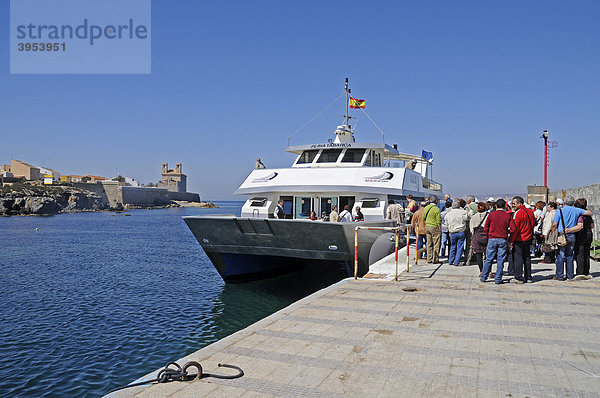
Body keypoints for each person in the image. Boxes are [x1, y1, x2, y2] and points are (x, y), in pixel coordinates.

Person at [551, 196, 593, 281]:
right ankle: (569, 275)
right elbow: (589, 213)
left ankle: (559, 275)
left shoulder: (560, 211)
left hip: (562, 235)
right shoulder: (576, 210)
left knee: (561, 256)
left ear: (564, 203)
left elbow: (555, 224)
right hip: (572, 235)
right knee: (570, 256)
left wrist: (553, 231)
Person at [480, 199, 516, 284]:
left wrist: (488, 235)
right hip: (502, 239)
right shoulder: (507, 216)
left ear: (496, 206)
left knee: (489, 258)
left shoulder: (491, 215)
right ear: (504, 207)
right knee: (501, 259)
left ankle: (484, 276)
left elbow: (486, 227)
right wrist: (507, 232)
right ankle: (498, 278)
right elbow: (513, 229)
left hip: (492, 238)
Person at [510, 196, 536, 283]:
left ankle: (518, 277)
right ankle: (528, 276)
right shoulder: (530, 212)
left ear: (519, 204)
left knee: (518, 258)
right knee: (527, 257)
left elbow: (515, 228)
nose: (512, 205)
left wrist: (511, 241)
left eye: (514, 203)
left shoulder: (518, 213)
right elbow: (532, 224)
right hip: (528, 238)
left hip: (519, 238)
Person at [574, 198, 594, 279]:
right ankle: (586, 271)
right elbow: (592, 226)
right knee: (587, 254)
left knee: (579, 254)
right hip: (589, 234)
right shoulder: (589, 214)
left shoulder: (579, 215)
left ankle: (580, 272)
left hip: (581, 235)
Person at [444, 200, 469, 266]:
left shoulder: (448, 214)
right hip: (461, 231)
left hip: (452, 232)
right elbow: (468, 217)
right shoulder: (463, 212)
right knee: (459, 247)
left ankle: (450, 260)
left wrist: (449, 229)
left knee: (452, 247)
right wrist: (470, 209)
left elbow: (446, 223)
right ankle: (456, 262)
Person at [470, 202, 489, 273]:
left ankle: (481, 271)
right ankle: (488, 271)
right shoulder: (488, 216)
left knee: (478, 255)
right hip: (486, 237)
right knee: (488, 255)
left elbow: (471, 229)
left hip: (477, 237)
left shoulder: (473, 217)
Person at [423, 197, 442, 264]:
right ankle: (435, 259)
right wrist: (439, 226)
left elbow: (423, 217)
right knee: (436, 243)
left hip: (427, 226)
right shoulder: (436, 209)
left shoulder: (426, 208)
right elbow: (438, 219)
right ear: (436, 201)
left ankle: (429, 258)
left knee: (429, 243)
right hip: (434, 227)